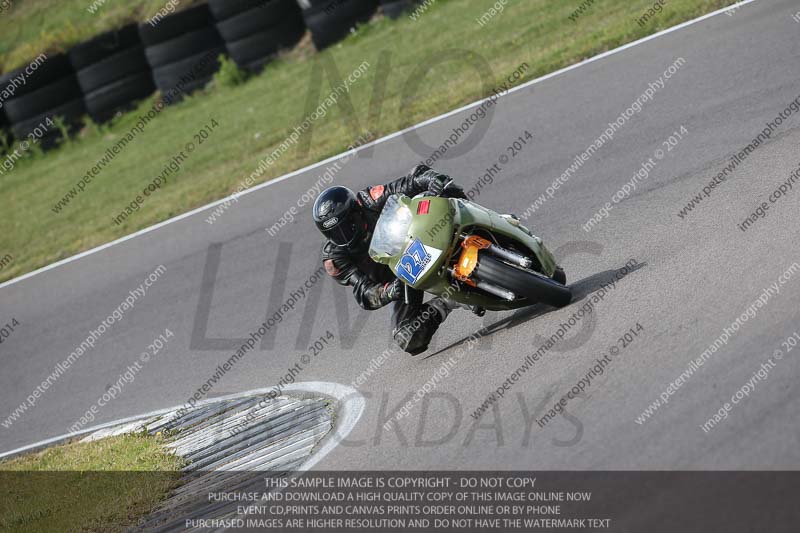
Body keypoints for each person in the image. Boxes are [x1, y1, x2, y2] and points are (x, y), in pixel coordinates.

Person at [312, 165, 466, 355]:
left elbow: (408, 183)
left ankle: (492, 222)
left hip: (418, 238)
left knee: (444, 188)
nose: (344, 235)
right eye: (335, 234)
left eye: (348, 226)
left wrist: (431, 180)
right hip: (400, 278)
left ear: (356, 211)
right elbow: (364, 291)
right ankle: (449, 300)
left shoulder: (368, 200)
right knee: (407, 336)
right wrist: (388, 292)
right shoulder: (334, 259)